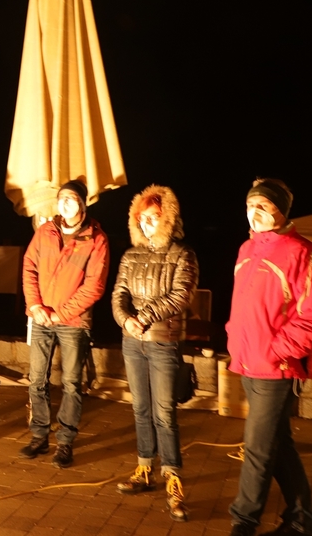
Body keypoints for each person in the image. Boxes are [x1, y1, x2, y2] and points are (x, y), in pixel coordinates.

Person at [227, 179, 312, 536]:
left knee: (258, 448)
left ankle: (243, 521)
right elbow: (244, 307)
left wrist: (277, 351)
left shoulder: (304, 254)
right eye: (250, 205)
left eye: (263, 205)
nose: (254, 212)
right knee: (279, 444)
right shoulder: (247, 249)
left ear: (282, 211)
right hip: (248, 364)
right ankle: (302, 520)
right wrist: (233, 337)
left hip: (277, 369)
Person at [112, 185, 198, 522]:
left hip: (163, 341)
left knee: (164, 412)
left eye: (153, 218)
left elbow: (181, 295)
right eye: (142, 218)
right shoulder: (130, 256)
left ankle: (173, 478)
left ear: (168, 219)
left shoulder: (182, 254)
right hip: (132, 342)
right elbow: (119, 294)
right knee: (140, 408)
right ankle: (145, 468)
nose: (146, 224)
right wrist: (125, 320)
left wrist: (144, 317)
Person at [20, 180, 109, 468]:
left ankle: (65, 442)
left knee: (71, 383)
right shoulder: (45, 232)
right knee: (37, 379)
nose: (65, 203)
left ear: (83, 203)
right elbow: (29, 267)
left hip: (73, 321)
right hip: (41, 317)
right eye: (61, 199)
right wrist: (35, 306)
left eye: (71, 198)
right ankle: (39, 436)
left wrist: (61, 314)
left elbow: (94, 286)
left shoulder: (96, 239)